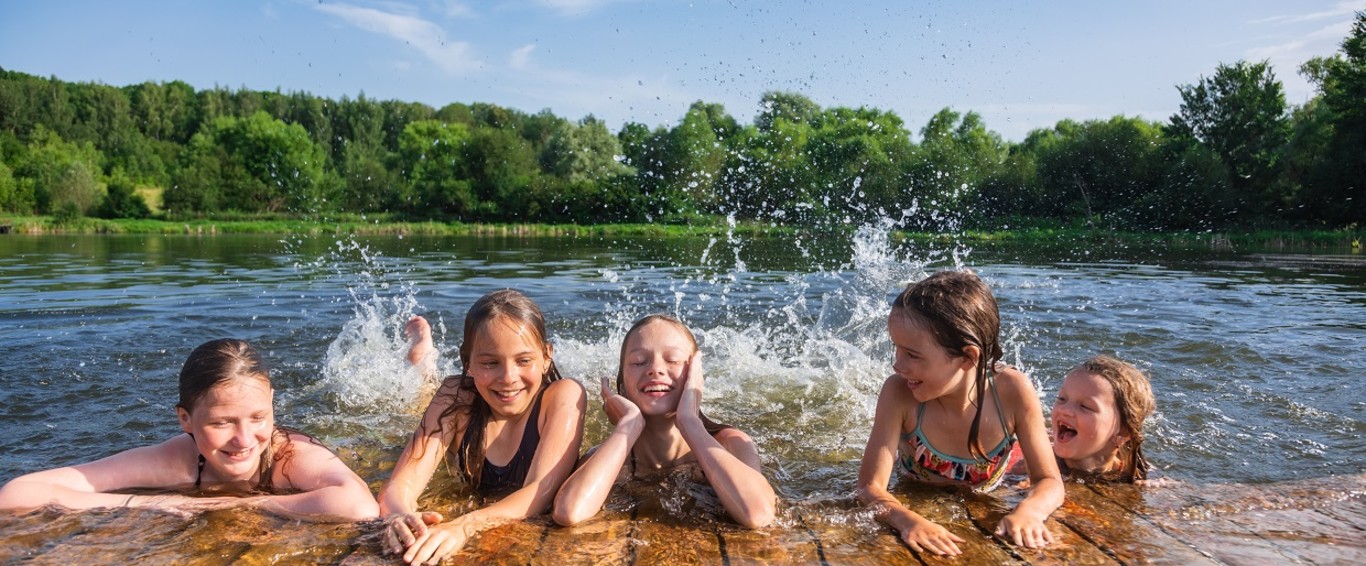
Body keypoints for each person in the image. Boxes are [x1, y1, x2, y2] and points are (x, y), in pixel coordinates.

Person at [0, 338, 379, 522]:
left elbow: (359, 505)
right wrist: (159, 502)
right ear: (185, 420)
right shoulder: (178, 460)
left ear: (272, 404)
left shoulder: (288, 457)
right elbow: (16, 494)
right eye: (221, 423)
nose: (245, 440)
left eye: (258, 418)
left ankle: (421, 368)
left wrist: (235, 504)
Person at [856, 270, 1063, 556]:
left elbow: (1050, 481)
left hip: (990, 487)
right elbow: (869, 487)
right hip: (918, 487)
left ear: (968, 357)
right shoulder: (898, 393)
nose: (897, 365)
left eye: (912, 355)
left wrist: (1030, 511)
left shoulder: (1013, 392)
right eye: (897, 350)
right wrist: (907, 519)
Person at [380, 289, 586, 565]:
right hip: (463, 394)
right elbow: (400, 485)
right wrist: (400, 515)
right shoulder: (456, 396)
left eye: (524, 360)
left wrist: (464, 526)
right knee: (423, 403)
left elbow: (539, 490)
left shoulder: (563, 396)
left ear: (546, 356)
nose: (508, 378)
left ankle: (425, 362)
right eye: (490, 363)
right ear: (468, 363)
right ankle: (423, 360)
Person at [552, 314, 776, 529]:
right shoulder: (610, 459)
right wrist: (629, 425)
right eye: (639, 362)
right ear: (623, 383)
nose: (655, 369)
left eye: (672, 360)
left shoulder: (730, 444)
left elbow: (758, 514)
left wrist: (689, 421)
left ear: (695, 376)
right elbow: (569, 512)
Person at [1049, 355, 1155, 482]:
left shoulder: (1138, 477)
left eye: (1085, 406)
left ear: (1123, 432)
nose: (1065, 410)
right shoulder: (1035, 463)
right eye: (1061, 398)